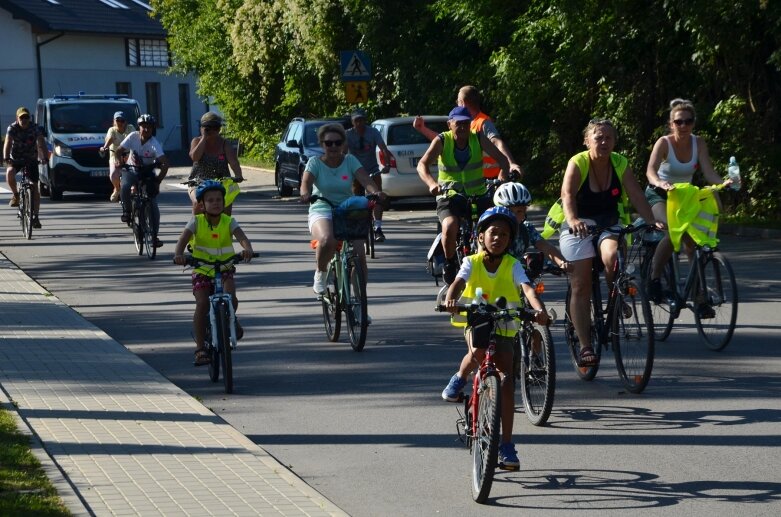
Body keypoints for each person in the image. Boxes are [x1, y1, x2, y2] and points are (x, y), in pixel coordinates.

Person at [441, 206, 550, 470]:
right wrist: (450, 298)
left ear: (510, 241)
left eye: (504, 235)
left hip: (505, 325)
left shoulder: (513, 265)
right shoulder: (471, 261)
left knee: (507, 383)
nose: (498, 238)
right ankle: (460, 378)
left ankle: (507, 445)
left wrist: (538, 309)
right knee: (478, 352)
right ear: (481, 237)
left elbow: (527, 288)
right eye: (493, 233)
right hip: (477, 319)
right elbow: (458, 281)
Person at [559, 118, 660, 366]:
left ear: (614, 141)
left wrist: (651, 222)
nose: (604, 142)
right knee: (581, 284)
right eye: (598, 137)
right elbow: (567, 195)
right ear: (587, 140)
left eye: (608, 138)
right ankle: (585, 346)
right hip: (580, 223)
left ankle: (616, 298)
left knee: (613, 257)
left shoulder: (619, 162)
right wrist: (572, 219)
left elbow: (636, 194)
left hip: (608, 223)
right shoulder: (578, 162)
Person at [645, 98, 729, 308]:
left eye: (688, 121)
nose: (683, 126)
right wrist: (661, 183)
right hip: (661, 194)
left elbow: (709, 172)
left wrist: (724, 182)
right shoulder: (664, 143)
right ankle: (654, 279)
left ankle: (698, 294)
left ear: (693, 123)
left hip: (685, 197)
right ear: (671, 124)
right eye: (678, 122)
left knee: (693, 243)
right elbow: (650, 171)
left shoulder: (698, 142)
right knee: (672, 230)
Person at [416, 106, 509, 284]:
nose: (463, 128)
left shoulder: (478, 138)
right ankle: (450, 263)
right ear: (449, 124)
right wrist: (432, 184)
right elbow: (422, 165)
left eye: (466, 123)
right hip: (449, 196)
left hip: (479, 194)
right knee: (451, 225)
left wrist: (501, 180)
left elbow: (502, 160)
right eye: (459, 124)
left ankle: (494, 263)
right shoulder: (442, 140)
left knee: (495, 226)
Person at [173, 180, 254, 366]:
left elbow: (242, 237)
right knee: (202, 304)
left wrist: (247, 249)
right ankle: (200, 348)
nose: (216, 203)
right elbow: (183, 239)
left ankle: (231, 320)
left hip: (224, 268)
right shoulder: (196, 221)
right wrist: (179, 254)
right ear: (202, 204)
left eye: (219, 199)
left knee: (231, 297)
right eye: (210, 200)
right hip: (202, 269)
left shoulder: (229, 221)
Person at [300, 123, 384, 295]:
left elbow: (365, 179)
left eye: (337, 143)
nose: (333, 147)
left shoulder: (350, 161)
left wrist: (375, 192)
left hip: (346, 209)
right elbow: (306, 183)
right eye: (328, 143)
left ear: (343, 144)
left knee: (360, 257)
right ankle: (321, 272)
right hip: (322, 208)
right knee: (327, 240)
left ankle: (360, 304)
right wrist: (305, 194)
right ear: (322, 144)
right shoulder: (314, 162)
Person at [413, 85, 523, 179]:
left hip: (491, 180)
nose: (456, 104)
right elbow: (445, 140)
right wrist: (423, 129)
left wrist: (511, 163)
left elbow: (497, 142)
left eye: (457, 101)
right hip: (476, 179)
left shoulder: (483, 122)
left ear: (462, 103)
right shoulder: (465, 123)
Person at [115, 114, 170, 248]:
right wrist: (119, 161)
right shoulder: (133, 136)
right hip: (131, 170)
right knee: (125, 186)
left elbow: (165, 163)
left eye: (149, 127)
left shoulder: (154, 144)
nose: (146, 129)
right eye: (143, 127)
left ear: (152, 129)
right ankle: (127, 212)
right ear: (139, 127)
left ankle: (155, 236)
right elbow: (118, 150)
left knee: (153, 204)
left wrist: (158, 180)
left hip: (147, 174)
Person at [493, 182, 570, 271]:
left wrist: (562, 262)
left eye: (519, 211)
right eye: (509, 211)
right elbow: (481, 254)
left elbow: (545, 246)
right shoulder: (491, 230)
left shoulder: (526, 229)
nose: (513, 216)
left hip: (517, 274)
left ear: (525, 212)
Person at [346, 108, 395, 242]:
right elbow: (342, 152)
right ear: (352, 122)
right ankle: (356, 227)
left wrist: (387, 165)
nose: (360, 123)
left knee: (377, 196)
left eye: (362, 120)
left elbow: (383, 148)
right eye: (357, 121)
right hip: (355, 172)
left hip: (372, 170)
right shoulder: (348, 135)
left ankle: (378, 228)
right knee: (356, 199)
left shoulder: (373, 132)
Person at [187, 111, 244, 215]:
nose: (213, 131)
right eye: (209, 127)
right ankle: (195, 228)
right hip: (198, 181)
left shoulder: (224, 143)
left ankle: (226, 229)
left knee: (226, 204)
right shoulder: (196, 141)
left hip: (221, 183)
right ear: (202, 128)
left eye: (216, 127)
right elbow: (195, 157)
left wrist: (238, 175)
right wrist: (204, 138)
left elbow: (234, 162)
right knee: (197, 203)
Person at [4, 107, 47, 227]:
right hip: (16, 158)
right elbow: (7, 143)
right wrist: (6, 157)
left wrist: (45, 158)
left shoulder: (35, 128)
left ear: (29, 118)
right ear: (17, 118)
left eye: (26, 117)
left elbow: (41, 142)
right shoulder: (12, 128)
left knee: (34, 187)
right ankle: (16, 195)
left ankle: (36, 217)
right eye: (22, 117)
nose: (24, 120)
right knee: (10, 173)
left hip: (31, 159)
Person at [100, 111, 136, 202]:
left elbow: (134, 138)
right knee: (113, 174)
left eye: (122, 120)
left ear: (125, 122)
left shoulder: (130, 128)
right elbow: (110, 139)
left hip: (128, 155)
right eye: (118, 120)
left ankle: (134, 188)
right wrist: (105, 147)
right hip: (115, 156)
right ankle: (117, 188)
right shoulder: (112, 130)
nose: (120, 123)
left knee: (135, 171)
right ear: (114, 121)